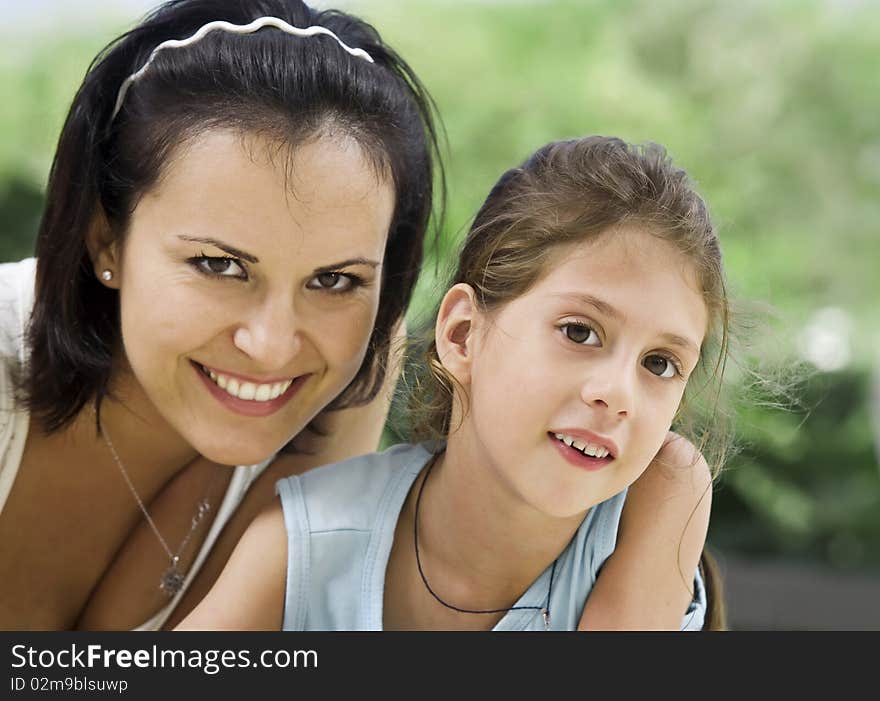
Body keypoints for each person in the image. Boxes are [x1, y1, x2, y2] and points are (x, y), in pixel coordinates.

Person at [0, 0, 444, 630]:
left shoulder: (343, 382)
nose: (270, 345)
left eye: (333, 279)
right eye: (218, 265)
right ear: (107, 241)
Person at [178, 135, 731, 631]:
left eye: (659, 364)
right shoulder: (309, 543)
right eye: (579, 331)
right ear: (463, 334)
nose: (617, 393)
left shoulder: (661, 499)